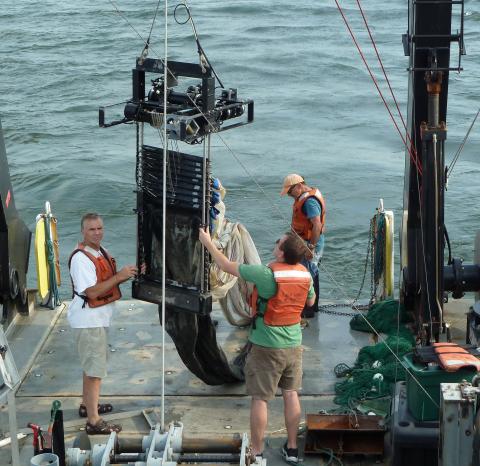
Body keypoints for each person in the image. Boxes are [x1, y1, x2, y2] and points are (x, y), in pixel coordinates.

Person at [199, 228, 315, 464]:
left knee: (261, 399)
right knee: (291, 393)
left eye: (278, 242)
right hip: (294, 343)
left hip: (266, 346)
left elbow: (225, 265)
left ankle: (257, 450)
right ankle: (292, 448)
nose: (275, 242)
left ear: (282, 254)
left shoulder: (265, 274)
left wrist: (207, 242)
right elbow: (310, 301)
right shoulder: (305, 275)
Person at [67, 213, 138, 435]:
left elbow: (107, 279)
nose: (97, 232)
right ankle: (94, 421)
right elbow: (92, 292)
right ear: (83, 232)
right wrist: (119, 277)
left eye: (99, 228)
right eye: (91, 229)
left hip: (96, 320)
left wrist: (131, 273)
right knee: (94, 371)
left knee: (91, 368)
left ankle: (87, 405)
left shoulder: (99, 251)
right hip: (88, 322)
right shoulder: (81, 259)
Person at [280, 174, 326, 317]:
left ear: (299, 186)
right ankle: (312, 307)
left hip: (310, 243)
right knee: (310, 272)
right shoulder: (305, 195)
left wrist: (310, 247)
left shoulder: (309, 202)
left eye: (290, 191)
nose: (288, 195)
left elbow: (317, 225)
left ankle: (310, 309)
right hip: (305, 241)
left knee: (309, 274)